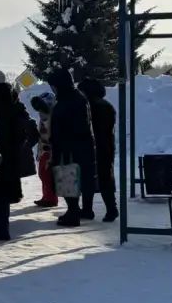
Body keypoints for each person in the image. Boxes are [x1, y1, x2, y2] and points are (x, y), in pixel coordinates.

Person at [0, 70, 37, 241]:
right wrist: (21, 146)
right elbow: (28, 126)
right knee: (3, 195)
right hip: (11, 155)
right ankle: (2, 229)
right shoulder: (13, 100)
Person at [45, 68, 97, 228]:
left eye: (54, 85)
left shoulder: (66, 102)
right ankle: (86, 209)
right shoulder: (79, 98)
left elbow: (61, 128)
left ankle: (73, 212)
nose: (53, 89)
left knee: (68, 178)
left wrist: (55, 147)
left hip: (69, 149)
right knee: (85, 178)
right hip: (84, 147)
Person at [78, 78, 118, 222]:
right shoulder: (107, 105)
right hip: (106, 146)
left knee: (89, 178)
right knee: (105, 178)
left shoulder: (89, 106)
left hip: (92, 147)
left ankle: (89, 210)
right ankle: (111, 209)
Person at [29, 92, 58, 209]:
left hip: (49, 148)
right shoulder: (44, 115)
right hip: (43, 148)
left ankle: (51, 198)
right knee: (43, 174)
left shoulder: (51, 113)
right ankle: (46, 196)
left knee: (47, 174)